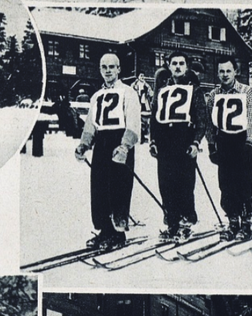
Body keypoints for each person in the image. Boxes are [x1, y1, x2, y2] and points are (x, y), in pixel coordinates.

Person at [75, 53, 142, 250]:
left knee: (118, 187)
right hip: (102, 143)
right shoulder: (96, 96)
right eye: (104, 67)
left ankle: (118, 233)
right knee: (99, 188)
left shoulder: (128, 93)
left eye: (112, 67)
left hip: (119, 142)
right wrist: (83, 145)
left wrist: (125, 146)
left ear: (119, 69)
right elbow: (90, 125)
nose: (108, 71)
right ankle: (104, 230)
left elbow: (133, 123)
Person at [149, 52, 207, 243]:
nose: (178, 67)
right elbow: (154, 118)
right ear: (168, 65)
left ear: (187, 67)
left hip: (184, 142)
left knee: (184, 184)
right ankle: (172, 223)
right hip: (166, 143)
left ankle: (186, 222)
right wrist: (153, 141)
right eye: (174, 63)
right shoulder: (162, 90)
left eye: (181, 63)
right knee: (166, 185)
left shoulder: (195, 90)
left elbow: (201, 120)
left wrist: (196, 142)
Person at [206, 57, 252, 241]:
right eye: (221, 71)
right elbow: (209, 123)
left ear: (235, 71)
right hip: (224, 141)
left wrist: (250, 141)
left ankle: (245, 222)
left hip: (242, 140)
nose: (225, 75)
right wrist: (211, 145)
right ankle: (233, 222)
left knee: (244, 183)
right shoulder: (214, 95)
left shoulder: (247, 91)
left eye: (228, 71)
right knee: (226, 184)